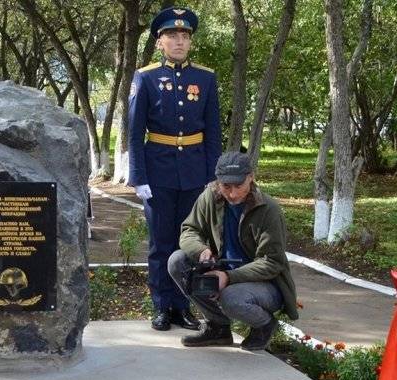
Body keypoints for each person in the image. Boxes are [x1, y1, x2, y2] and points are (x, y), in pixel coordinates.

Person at [128, 6, 222, 332]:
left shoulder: (206, 78)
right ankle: (160, 307)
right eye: (172, 36)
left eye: (184, 36)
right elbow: (134, 131)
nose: (179, 41)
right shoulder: (146, 77)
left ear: (190, 42)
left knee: (191, 244)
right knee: (160, 243)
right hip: (158, 173)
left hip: (195, 173)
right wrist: (138, 176)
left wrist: (214, 177)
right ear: (160, 42)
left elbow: (213, 132)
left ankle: (183, 307)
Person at [167, 151, 299, 351]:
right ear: (217, 181)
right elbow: (189, 230)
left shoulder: (269, 210)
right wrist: (201, 251)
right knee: (177, 262)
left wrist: (228, 276)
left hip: (264, 284)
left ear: (251, 178)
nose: (233, 193)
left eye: (239, 186)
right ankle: (218, 327)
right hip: (221, 271)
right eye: (226, 186)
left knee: (231, 298)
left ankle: (265, 324)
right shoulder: (209, 197)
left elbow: (271, 262)